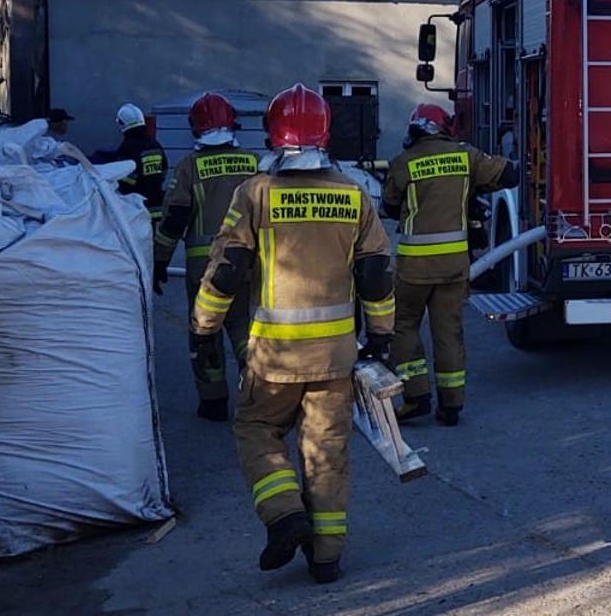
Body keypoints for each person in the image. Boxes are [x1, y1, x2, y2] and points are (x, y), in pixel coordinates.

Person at [192, 84, 396, 585]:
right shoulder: (353, 195)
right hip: (336, 358)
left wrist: (204, 328)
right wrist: (382, 338)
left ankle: (284, 514)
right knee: (327, 453)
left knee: (256, 430)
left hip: (274, 357)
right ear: (325, 133)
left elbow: (226, 271)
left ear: (272, 133)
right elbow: (376, 275)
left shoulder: (256, 193)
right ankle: (326, 559)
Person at [381, 103, 516, 427]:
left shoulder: (403, 163)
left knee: (403, 325)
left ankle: (416, 397)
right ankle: (451, 405)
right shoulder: (465, 156)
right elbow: (509, 174)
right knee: (449, 331)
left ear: (415, 130)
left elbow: (389, 206)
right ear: (443, 128)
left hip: (414, 268)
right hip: (454, 267)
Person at [155, 93, 260, 421]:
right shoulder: (253, 162)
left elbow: (175, 217)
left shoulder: (189, 166)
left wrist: (159, 259)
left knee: (204, 329)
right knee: (243, 323)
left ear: (195, 128)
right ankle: (256, 387)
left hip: (204, 266)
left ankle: (213, 400)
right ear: (233, 125)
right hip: (247, 261)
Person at [98, 103, 168, 223]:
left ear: (123, 124)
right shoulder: (155, 145)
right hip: (156, 208)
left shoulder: (127, 148)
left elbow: (125, 181)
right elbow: (164, 171)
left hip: (136, 210)